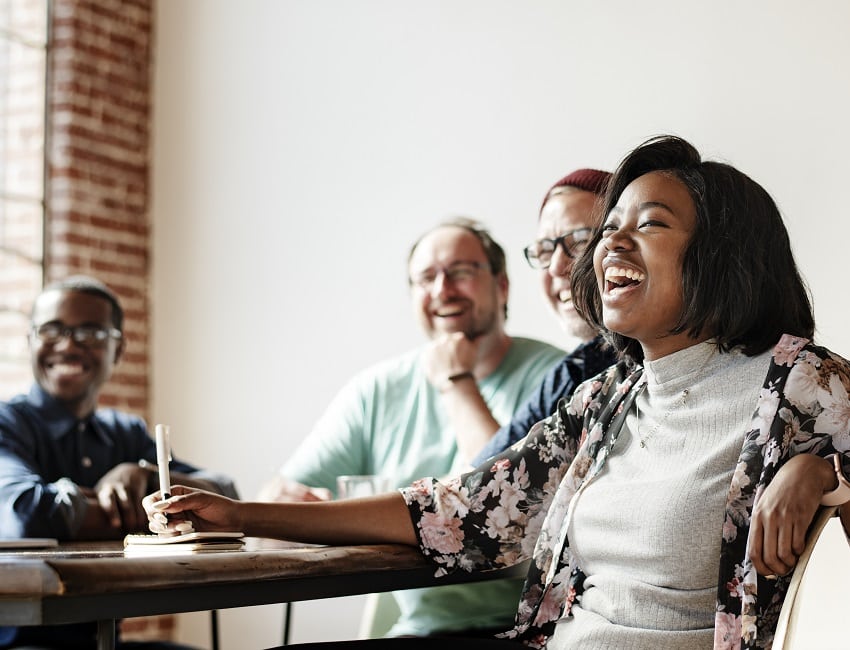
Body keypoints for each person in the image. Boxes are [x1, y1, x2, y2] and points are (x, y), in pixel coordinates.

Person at [144, 135, 850, 650]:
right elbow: (465, 510)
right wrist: (243, 514)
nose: (612, 246)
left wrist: (828, 473)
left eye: (650, 224)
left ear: (723, 255)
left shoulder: (798, 380)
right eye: (611, 229)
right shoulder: (605, 400)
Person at [258, 217, 564, 637]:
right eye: (426, 278)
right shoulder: (376, 391)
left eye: (461, 271)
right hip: (420, 629)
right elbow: (278, 505)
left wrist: (456, 381)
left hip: (531, 630)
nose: (442, 289)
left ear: (503, 286)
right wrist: (285, 509)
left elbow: (499, 504)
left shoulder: (554, 376)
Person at [0, 275, 238, 649]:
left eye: (91, 333)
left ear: (119, 349)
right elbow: (24, 513)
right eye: (51, 330)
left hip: (104, 641)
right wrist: (147, 507)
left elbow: (225, 497)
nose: (68, 345)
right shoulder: (7, 424)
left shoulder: (124, 433)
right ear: (29, 340)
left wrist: (140, 474)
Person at [473, 169, 617, 465]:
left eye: (579, 241)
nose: (555, 267)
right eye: (544, 250)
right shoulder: (574, 370)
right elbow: (482, 475)